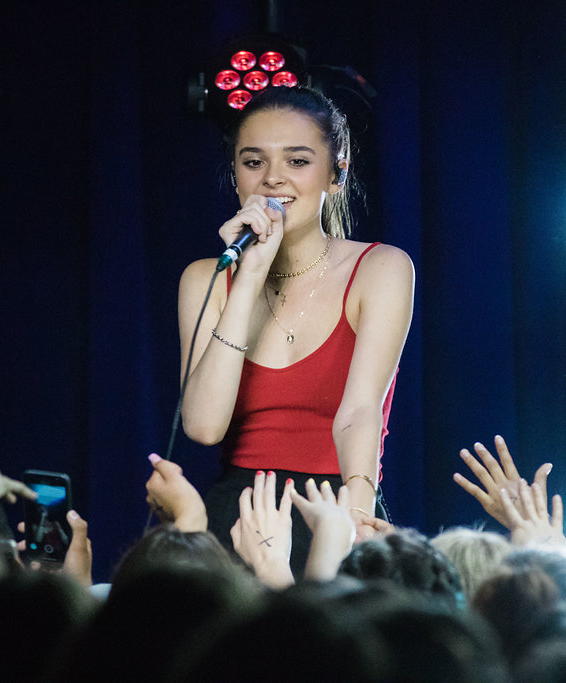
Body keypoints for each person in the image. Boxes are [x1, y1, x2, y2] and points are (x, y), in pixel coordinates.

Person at [177, 85, 414, 571]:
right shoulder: (206, 278)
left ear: (336, 174)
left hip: (336, 504)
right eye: (254, 161)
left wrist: (355, 518)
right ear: (236, 175)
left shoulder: (381, 268)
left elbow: (361, 411)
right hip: (240, 518)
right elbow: (203, 425)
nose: (272, 178)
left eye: (298, 161)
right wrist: (248, 277)